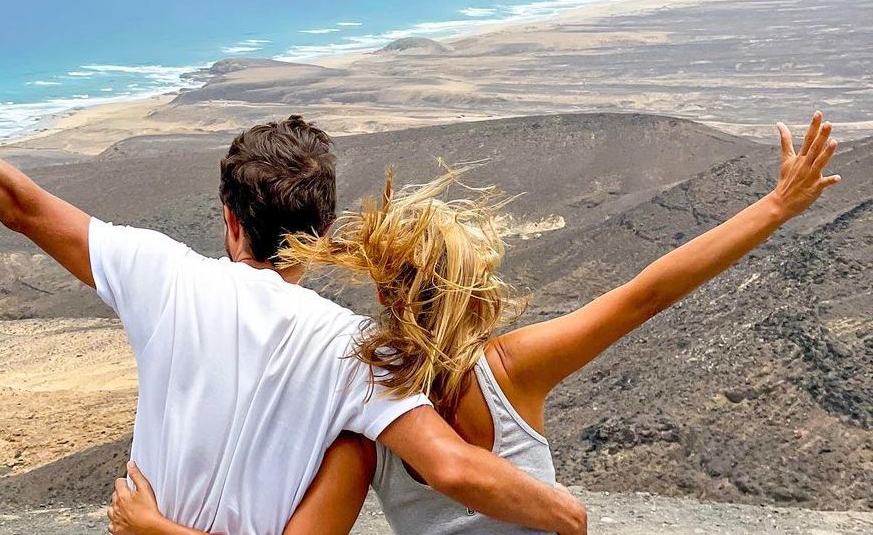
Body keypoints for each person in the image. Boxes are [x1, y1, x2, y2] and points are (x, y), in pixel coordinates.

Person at [0, 15, 586, 535]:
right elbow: (449, 466)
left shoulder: (161, 276)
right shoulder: (357, 354)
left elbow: (16, 202)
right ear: (324, 234)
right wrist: (563, 510)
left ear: (231, 220)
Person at [108, 112, 841, 535]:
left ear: (389, 296)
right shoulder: (511, 367)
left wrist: (156, 529)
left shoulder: (362, 400)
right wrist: (772, 208)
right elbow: (646, 294)